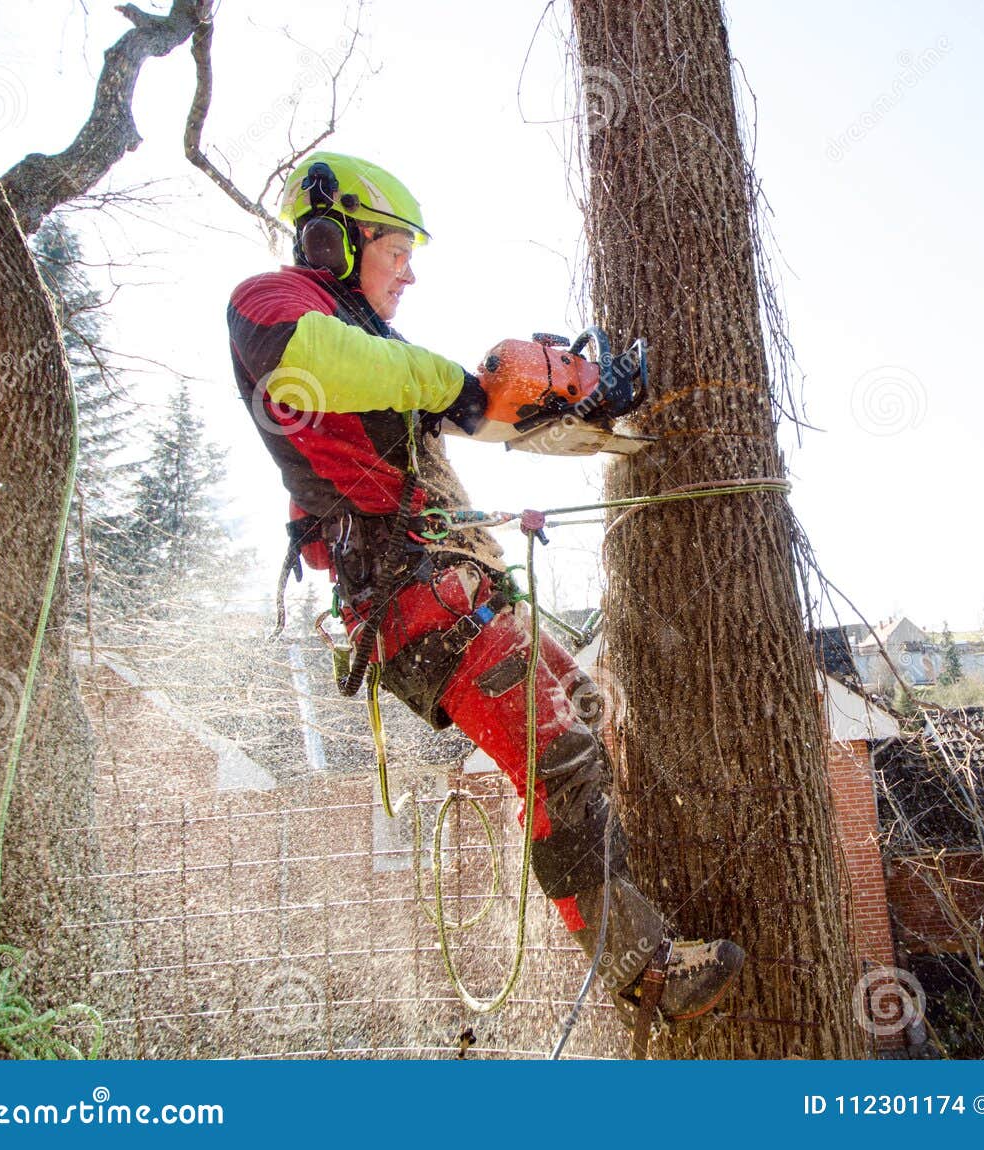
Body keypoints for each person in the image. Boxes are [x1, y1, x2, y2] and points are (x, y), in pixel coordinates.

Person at [225, 151, 742, 1025]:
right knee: (558, 757)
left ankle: (619, 886)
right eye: (397, 250)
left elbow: (478, 407)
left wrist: (561, 397)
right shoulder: (272, 306)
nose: (410, 271)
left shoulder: (379, 351)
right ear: (333, 237)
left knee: (587, 701)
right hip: (415, 599)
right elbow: (329, 363)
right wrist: (455, 384)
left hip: (463, 586)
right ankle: (644, 972)